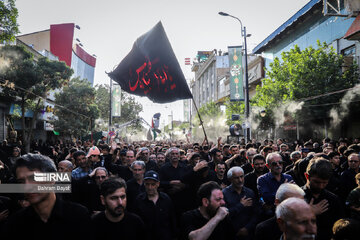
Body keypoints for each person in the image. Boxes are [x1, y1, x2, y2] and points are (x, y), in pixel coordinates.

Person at [2, 153, 92, 239]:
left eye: (34, 178)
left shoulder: (78, 215)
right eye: (21, 182)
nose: (27, 186)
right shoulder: (16, 223)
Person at [302, 158, 344, 240]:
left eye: (325, 182)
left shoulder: (333, 199)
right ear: (307, 176)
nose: (321, 186)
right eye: (317, 182)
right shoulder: (294, 197)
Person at [134, 170, 177, 240]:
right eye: (147, 184)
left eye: (153, 184)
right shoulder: (139, 200)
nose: (150, 187)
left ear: (158, 184)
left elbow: (172, 219)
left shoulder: (166, 199)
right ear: (144, 184)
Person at [223, 166, 259, 239]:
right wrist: (241, 205)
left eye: (242, 177)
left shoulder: (250, 192)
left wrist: (247, 228)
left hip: (249, 233)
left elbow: (256, 213)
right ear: (230, 179)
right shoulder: (224, 194)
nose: (240, 180)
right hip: (232, 234)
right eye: (236, 178)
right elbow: (225, 215)